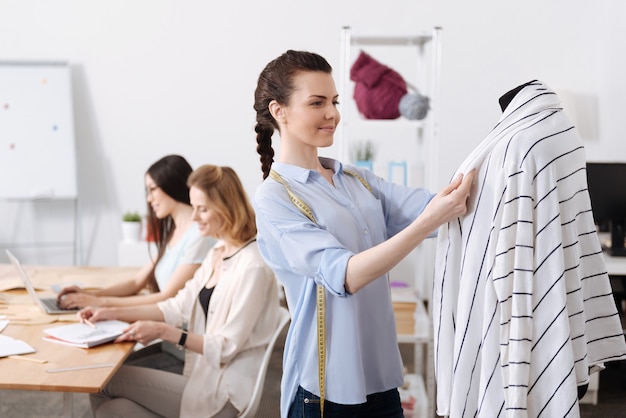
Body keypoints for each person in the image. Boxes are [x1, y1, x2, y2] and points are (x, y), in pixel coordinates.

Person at [252, 49, 475, 418]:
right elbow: (346, 274)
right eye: (317, 102)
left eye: (335, 101)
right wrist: (428, 223)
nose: (333, 114)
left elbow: (436, 205)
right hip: (326, 392)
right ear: (280, 111)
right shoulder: (276, 198)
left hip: (382, 380)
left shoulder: (354, 179)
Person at [79, 164, 281, 418]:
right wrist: (109, 312)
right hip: (202, 377)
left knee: (104, 380)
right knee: (112, 409)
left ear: (227, 208)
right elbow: (176, 307)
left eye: (203, 209)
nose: (194, 218)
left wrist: (165, 331)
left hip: (224, 392)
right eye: (194, 207)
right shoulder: (217, 253)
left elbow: (225, 347)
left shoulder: (253, 267)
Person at [58, 155, 214, 309]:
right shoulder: (175, 233)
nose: (149, 199)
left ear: (172, 185)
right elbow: (136, 282)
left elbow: (167, 297)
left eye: (153, 189)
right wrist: (91, 295)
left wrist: (100, 303)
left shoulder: (198, 237)